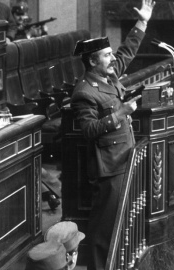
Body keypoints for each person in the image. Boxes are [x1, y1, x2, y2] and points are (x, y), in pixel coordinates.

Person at [69, 1, 155, 269]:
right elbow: (89, 130)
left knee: (118, 224)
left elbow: (127, 52)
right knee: (104, 229)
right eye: (107, 55)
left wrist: (142, 22)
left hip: (122, 158)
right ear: (93, 61)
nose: (112, 59)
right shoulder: (84, 91)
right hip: (109, 167)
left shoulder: (106, 75)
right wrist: (121, 113)